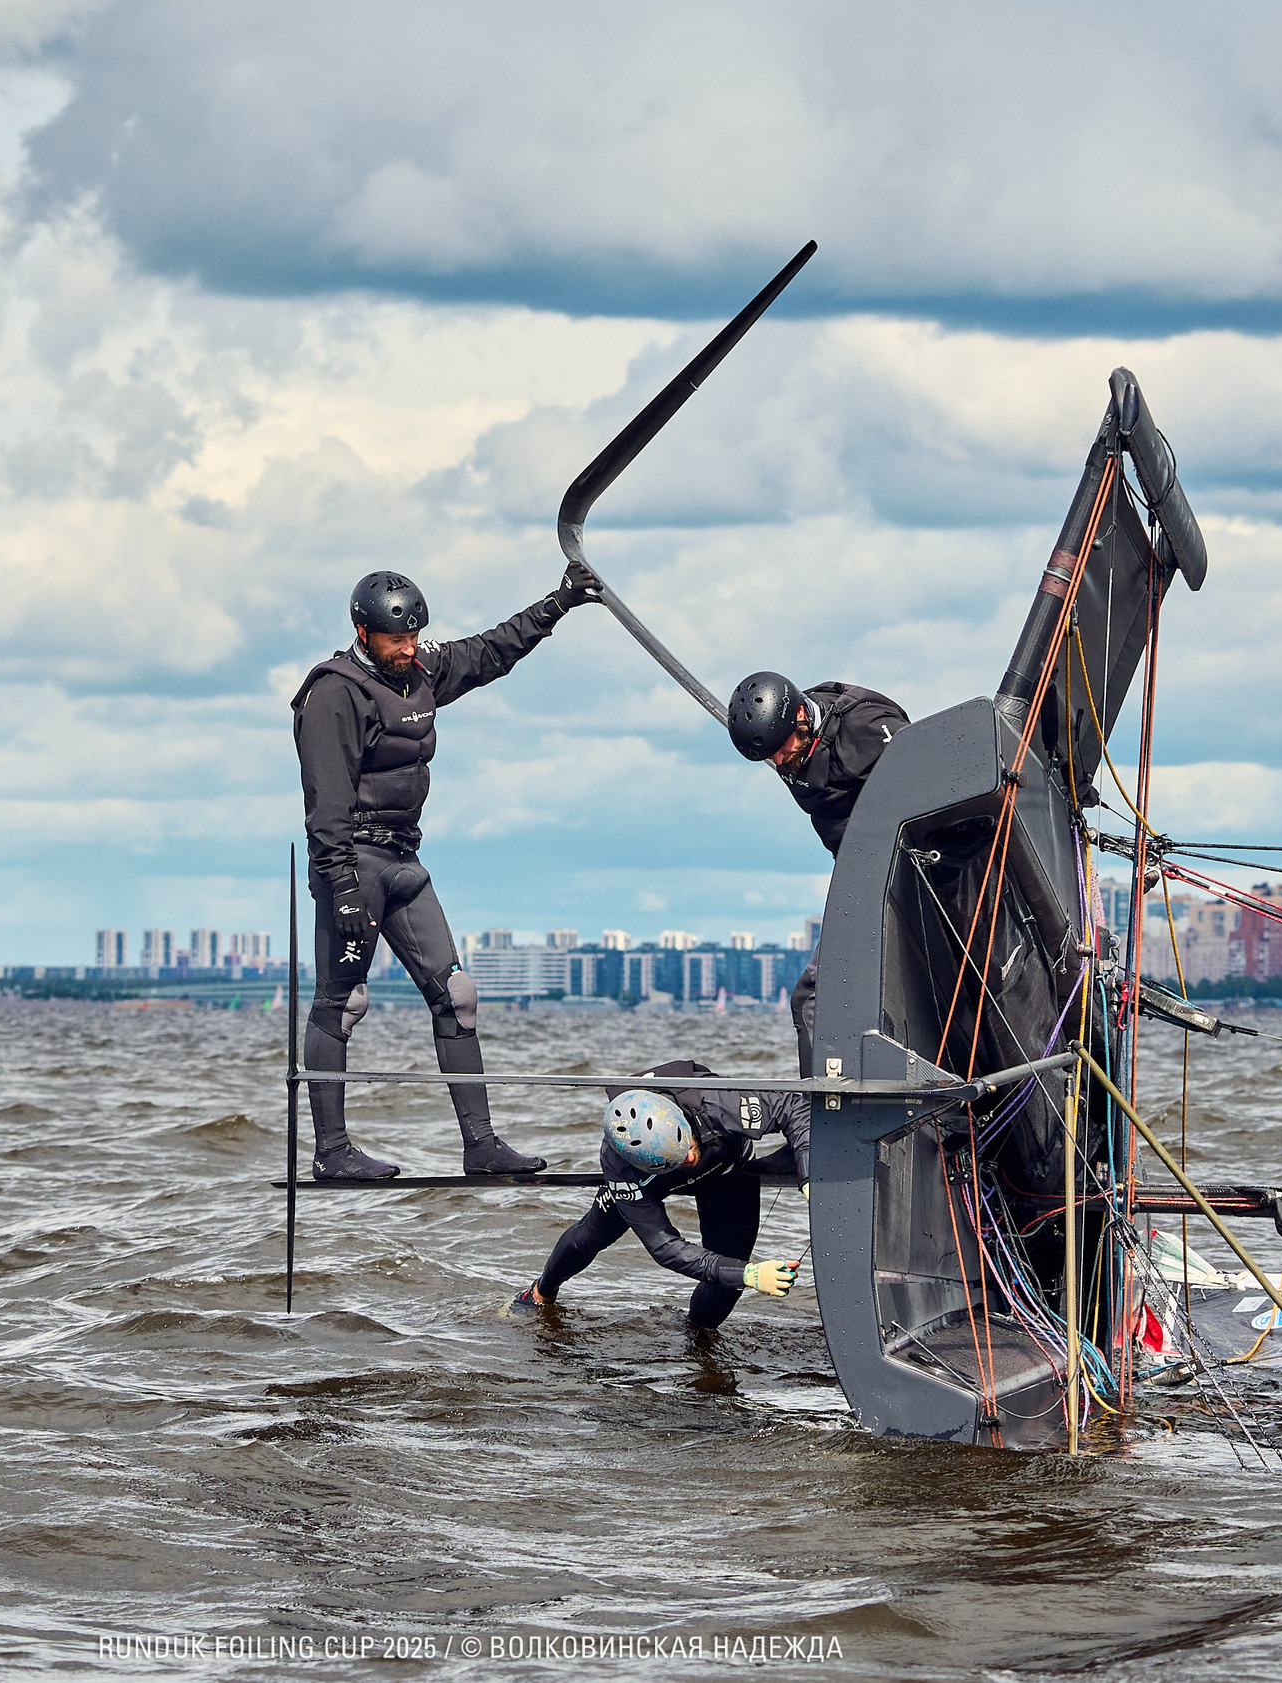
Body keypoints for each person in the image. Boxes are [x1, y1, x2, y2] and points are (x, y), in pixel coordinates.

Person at [292, 564, 603, 1179]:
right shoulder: (334, 692)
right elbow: (324, 804)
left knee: (457, 997)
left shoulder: (422, 670)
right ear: (363, 631)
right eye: (395, 641)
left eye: (414, 638)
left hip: (405, 860)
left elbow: (492, 651)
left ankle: (481, 1146)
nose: (408, 650)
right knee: (343, 1001)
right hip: (353, 864)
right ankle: (332, 1153)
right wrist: (342, 888)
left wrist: (559, 602)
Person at [506, 1060, 809, 1329]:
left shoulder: (717, 1102)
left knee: (727, 1282)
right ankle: (540, 1292)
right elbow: (664, 1247)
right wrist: (751, 1274)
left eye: (688, 1147)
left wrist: (808, 1173)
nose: (689, 1159)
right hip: (652, 1183)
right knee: (593, 1233)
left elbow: (793, 1106)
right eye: (679, 1159)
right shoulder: (620, 1165)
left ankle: (697, 1337)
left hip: (726, 1171)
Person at [725, 671, 909, 1074]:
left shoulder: (865, 725)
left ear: (801, 720)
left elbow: (929, 775)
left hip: (913, 867)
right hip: (860, 875)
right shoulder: (787, 743)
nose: (777, 761)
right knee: (810, 999)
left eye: (780, 749)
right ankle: (819, 1115)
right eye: (768, 755)